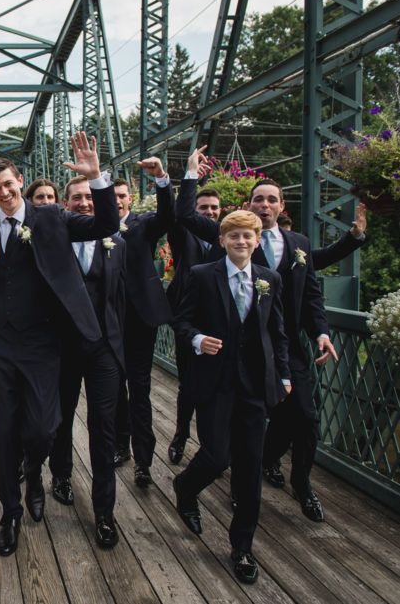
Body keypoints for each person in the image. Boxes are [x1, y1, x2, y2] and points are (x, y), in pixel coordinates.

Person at [0, 131, 119, 556]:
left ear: (21, 181)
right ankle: (10, 513)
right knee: (2, 431)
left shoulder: (51, 218)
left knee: (42, 429)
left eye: (9, 184)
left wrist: (97, 179)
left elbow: (106, 225)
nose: (3, 192)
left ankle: (34, 471)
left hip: (44, 343)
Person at [176, 162, 339, 522]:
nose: (265, 205)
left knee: (306, 420)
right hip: (224, 364)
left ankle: (296, 487)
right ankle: (205, 487)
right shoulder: (227, 247)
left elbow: (311, 295)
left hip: (280, 352)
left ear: (282, 206)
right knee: (221, 453)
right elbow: (185, 216)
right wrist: (189, 176)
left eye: (272, 200)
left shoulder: (299, 246)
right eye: (258, 199)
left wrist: (321, 332)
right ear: (249, 206)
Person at [172, 209, 291, 585]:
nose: (241, 242)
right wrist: (196, 339)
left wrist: (284, 374)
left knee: (249, 467)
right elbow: (181, 321)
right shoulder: (202, 275)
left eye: (248, 236)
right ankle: (186, 487)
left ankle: (242, 547)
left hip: (255, 385)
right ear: (222, 240)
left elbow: (278, 332)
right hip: (214, 381)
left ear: (257, 241)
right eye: (234, 236)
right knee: (216, 455)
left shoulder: (269, 279)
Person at [46, 175, 125, 548]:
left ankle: (104, 513)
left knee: (103, 428)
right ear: (65, 203)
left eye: (90, 197)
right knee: (61, 418)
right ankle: (60, 474)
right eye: (77, 197)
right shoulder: (55, 239)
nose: (85, 203)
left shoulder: (116, 243)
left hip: (103, 350)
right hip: (63, 347)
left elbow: (120, 297)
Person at [113, 165, 175, 489]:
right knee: (115, 387)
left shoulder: (142, 224)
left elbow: (167, 216)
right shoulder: (95, 227)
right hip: (109, 319)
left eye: (122, 196)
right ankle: (120, 444)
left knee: (139, 387)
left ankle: (144, 460)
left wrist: (162, 180)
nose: (118, 201)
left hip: (140, 319)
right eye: (112, 197)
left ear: (130, 199)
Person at [167, 148, 223, 464]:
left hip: (217, 321)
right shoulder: (183, 234)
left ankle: (210, 443)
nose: (210, 212)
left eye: (215, 208)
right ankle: (180, 435)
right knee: (188, 382)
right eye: (204, 206)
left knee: (216, 385)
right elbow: (180, 213)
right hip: (186, 319)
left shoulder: (226, 239)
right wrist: (190, 174)